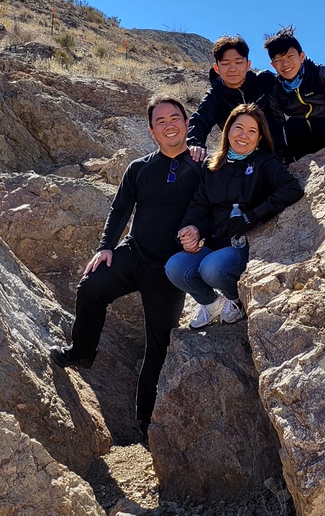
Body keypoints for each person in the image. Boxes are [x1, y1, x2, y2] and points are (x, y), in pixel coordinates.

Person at [49, 95, 201, 438]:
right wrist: (105, 247)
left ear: (186, 123)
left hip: (172, 267)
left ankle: (145, 422)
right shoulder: (139, 168)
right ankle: (82, 352)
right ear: (151, 131)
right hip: (135, 253)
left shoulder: (201, 166)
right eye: (160, 121)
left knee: (159, 343)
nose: (169, 125)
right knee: (91, 286)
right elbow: (119, 210)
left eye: (174, 118)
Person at [165, 103, 304, 327]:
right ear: (228, 129)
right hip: (214, 242)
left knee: (212, 268)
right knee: (175, 267)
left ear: (259, 138)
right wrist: (192, 228)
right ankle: (211, 304)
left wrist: (252, 217)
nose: (243, 135)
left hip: (244, 246)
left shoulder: (265, 163)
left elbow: (291, 189)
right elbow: (199, 204)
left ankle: (236, 300)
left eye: (252, 131)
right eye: (238, 128)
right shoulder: (212, 165)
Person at [264, 26, 325, 163]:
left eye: (290, 56)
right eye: (278, 60)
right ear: (273, 65)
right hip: (298, 136)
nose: (285, 64)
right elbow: (277, 123)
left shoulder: (321, 74)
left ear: (302, 57)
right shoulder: (276, 88)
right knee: (290, 128)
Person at [186, 35, 281, 162]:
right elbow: (199, 121)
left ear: (248, 65)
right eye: (225, 63)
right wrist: (195, 144)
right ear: (216, 68)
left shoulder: (265, 81)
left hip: (279, 155)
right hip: (240, 159)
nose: (232, 69)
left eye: (238, 62)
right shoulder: (214, 97)